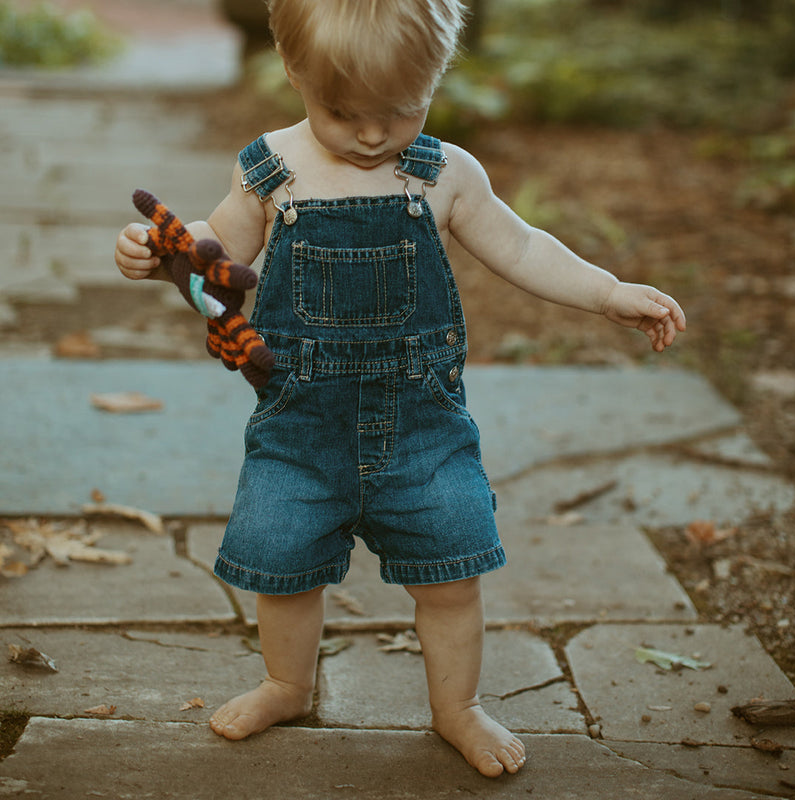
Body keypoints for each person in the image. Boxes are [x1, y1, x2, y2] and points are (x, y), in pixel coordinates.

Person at [114, 0, 686, 778]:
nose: (375, 134)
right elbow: (216, 257)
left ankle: (458, 708)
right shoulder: (271, 169)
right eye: (343, 112)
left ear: (435, 78)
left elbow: (520, 245)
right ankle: (288, 683)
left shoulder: (445, 172)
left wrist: (606, 290)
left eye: (400, 110)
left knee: (452, 575)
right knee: (282, 569)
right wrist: (159, 255)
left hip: (423, 431)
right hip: (300, 431)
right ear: (295, 74)